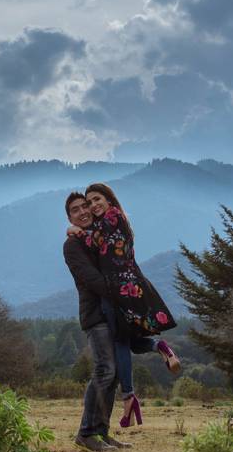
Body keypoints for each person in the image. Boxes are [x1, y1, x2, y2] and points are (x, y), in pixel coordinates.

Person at [71, 183, 181, 428]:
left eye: (97, 199)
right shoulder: (116, 220)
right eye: (89, 203)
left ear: (109, 199)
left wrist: (76, 231)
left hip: (118, 291)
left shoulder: (112, 218)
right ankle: (158, 346)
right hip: (130, 287)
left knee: (120, 341)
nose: (93, 205)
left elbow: (93, 239)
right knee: (127, 340)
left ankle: (128, 397)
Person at [62, 192, 127, 452]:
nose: (83, 211)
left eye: (85, 206)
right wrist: (124, 294)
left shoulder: (96, 237)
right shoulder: (72, 246)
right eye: (75, 210)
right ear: (70, 217)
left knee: (113, 376)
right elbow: (93, 279)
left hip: (113, 314)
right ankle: (86, 433)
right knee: (104, 371)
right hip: (95, 315)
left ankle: (101, 432)